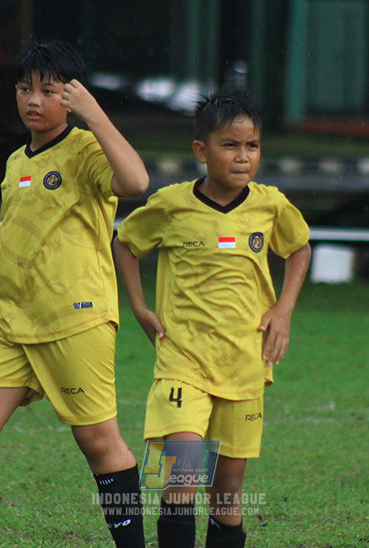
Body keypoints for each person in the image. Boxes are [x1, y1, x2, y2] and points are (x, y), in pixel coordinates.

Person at [0, 39, 150, 547]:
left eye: (48, 91)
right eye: (25, 89)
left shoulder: (86, 149)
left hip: (75, 322)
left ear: (71, 96)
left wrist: (94, 114)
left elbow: (135, 180)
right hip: (12, 326)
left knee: (100, 444)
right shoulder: (14, 162)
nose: (33, 100)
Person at [113, 90, 312, 548]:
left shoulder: (270, 205)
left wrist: (283, 310)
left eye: (253, 146)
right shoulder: (172, 205)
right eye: (230, 145)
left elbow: (299, 248)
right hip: (182, 362)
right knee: (179, 481)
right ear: (201, 151)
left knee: (227, 496)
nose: (243, 157)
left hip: (244, 363)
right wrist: (140, 306)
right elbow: (125, 242)